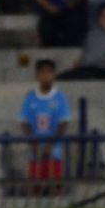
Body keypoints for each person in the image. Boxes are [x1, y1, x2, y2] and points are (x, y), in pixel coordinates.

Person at [20, 59, 71, 194]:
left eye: (49, 73)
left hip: (54, 149)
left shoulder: (60, 97)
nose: (45, 76)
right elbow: (24, 122)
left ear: (54, 75)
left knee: (56, 185)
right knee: (36, 185)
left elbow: (63, 123)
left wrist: (51, 143)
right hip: (36, 149)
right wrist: (33, 141)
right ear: (37, 76)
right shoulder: (31, 98)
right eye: (42, 73)